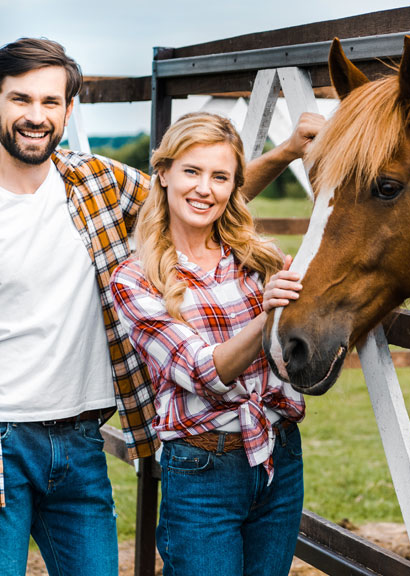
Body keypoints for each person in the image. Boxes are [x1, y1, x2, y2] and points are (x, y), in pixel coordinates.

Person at [0, 38, 322, 575]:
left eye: (51, 102)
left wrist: (285, 152)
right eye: (21, 100)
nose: (36, 116)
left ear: (68, 109)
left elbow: (199, 196)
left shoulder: (97, 183)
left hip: (81, 442)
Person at [110, 112, 306, 576]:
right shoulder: (135, 279)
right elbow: (205, 372)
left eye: (220, 177)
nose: (205, 189)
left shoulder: (259, 257)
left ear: (234, 185)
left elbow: (295, 352)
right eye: (192, 172)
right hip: (202, 471)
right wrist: (267, 315)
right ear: (163, 173)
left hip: (279, 456)